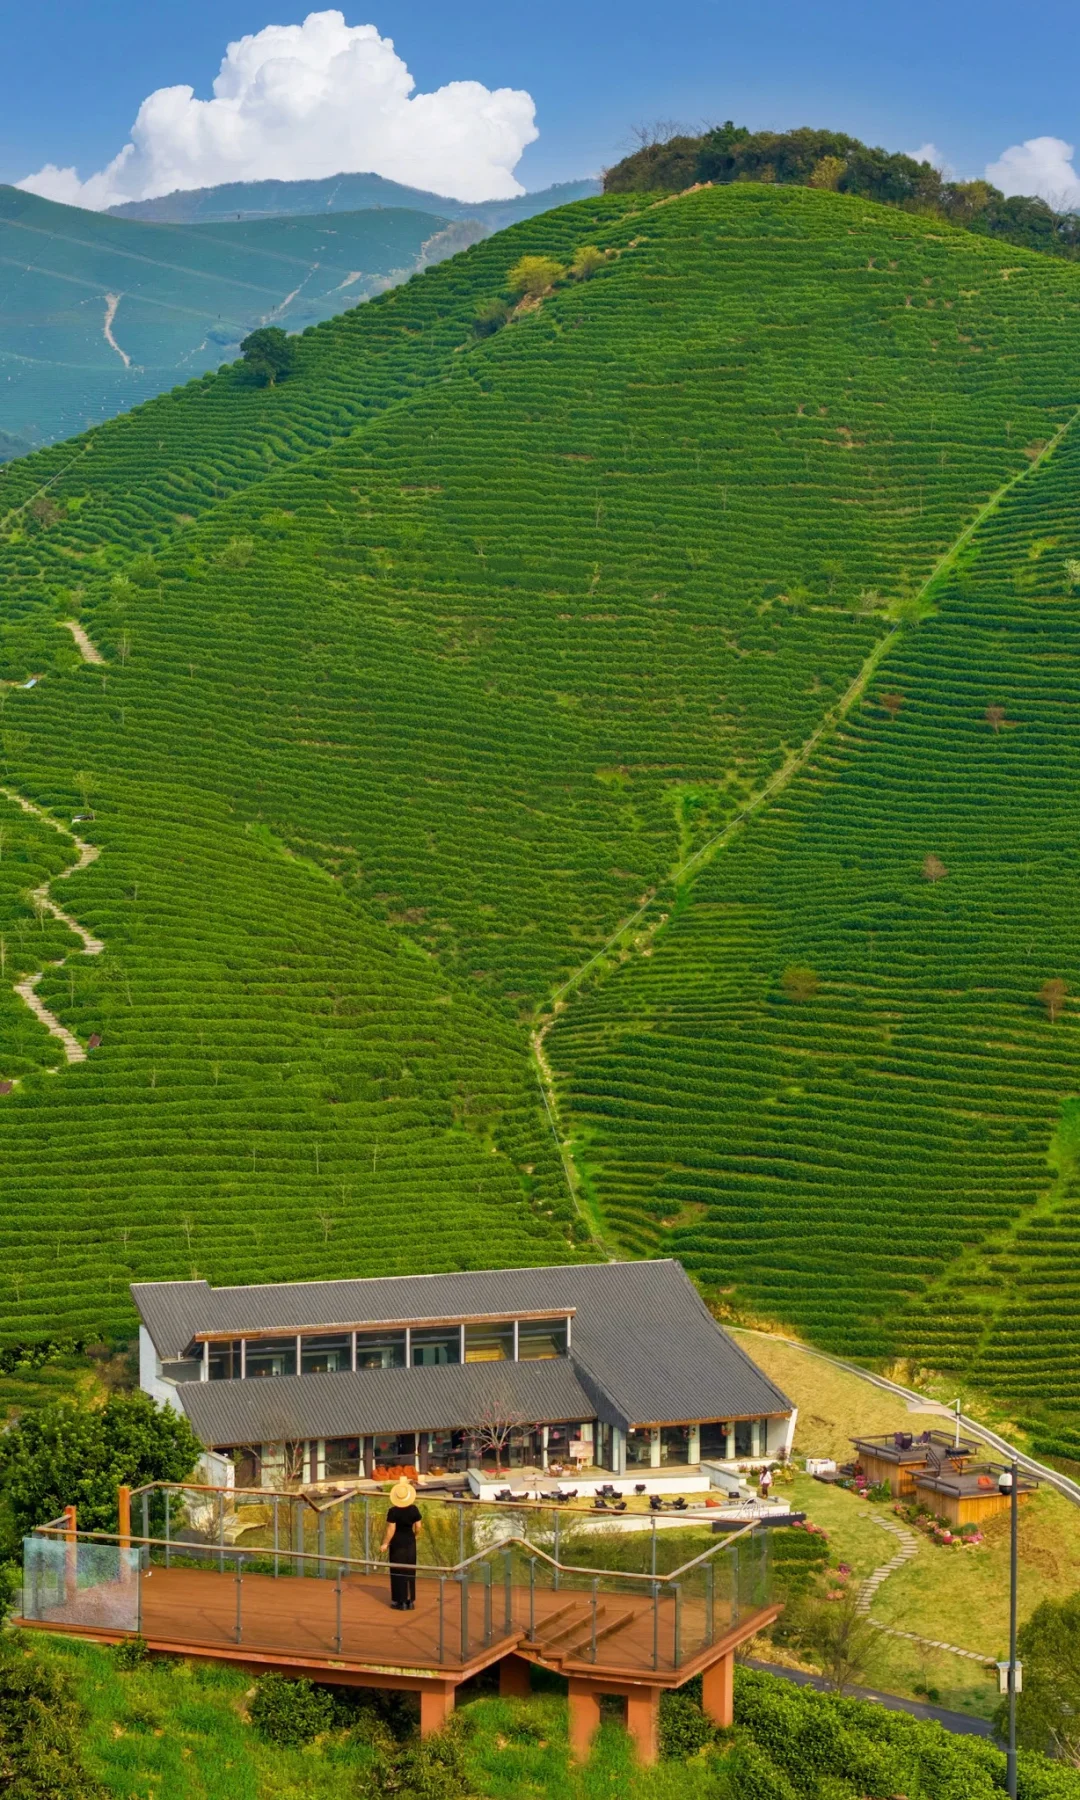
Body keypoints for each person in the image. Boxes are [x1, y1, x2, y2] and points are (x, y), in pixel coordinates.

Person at [379, 1478, 423, 1610]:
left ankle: (400, 1601)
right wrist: (415, 1535)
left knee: (397, 1570)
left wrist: (385, 1543)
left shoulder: (393, 1511)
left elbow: (391, 1529)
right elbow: (419, 1526)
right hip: (410, 1541)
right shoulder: (414, 1509)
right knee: (410, 1569)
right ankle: (410, 1600)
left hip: (397, 1543)